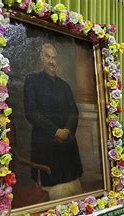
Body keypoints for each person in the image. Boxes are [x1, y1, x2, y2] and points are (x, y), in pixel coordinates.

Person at [24, 43, 83, 200]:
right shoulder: (32, 81)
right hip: (45, 145)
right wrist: (55, 131)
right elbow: (32, 113)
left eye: (54, 57)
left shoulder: (64, 86)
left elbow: (73, 112)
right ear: (41, 59)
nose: (52, 61)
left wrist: (67, 131)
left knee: (74, 193)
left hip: (67, 146)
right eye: (48, 57)